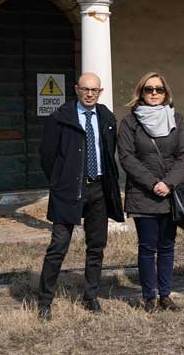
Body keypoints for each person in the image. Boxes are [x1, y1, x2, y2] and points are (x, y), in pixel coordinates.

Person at [36, 73, 124, 320]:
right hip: (68, 191)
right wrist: (60, 181)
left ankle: (90, 296)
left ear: (100, 91)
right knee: (58, 246)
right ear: (76, 89)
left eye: (94, 90)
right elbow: (47, 155)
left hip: (98, 189)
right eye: (85, 89)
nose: (89, 94)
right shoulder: (60, 118)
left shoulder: (106, 117)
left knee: (96, 246)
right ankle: (45, 301)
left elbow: (109, 151)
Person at [117, 72, 184, 312]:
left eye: (159, 89)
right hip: (143, 194)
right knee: (148, 247)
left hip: (171, 194)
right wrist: (153, 184)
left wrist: (168, 184)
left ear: (166, 92)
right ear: (141, 92)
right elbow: (127, 158)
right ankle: (149, 297)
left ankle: (165, 296)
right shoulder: (130, 123)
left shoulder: (176, 120)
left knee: (168, 246)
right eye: (149, 89)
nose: (154, 93)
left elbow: (183, 157)